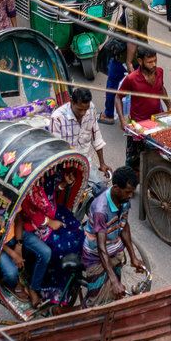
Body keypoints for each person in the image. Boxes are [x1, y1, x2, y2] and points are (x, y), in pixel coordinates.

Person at [82, 166, 146, 303]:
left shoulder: (124, 200)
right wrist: (113, 280)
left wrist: (133, 257)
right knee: (96, 305)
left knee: (114, 295)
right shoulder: (101, 210)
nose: (131, 196)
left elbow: (124, 226)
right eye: (128, 192)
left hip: (114, 251)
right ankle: (61, 311)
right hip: (96, 256)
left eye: (132, 192)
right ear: (116, 188)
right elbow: (100, 247)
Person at [101, 0, 148, 124]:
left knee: (113, 83)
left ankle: (109, 114)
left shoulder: (130, 11)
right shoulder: (143, 5)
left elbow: (131, 36)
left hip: (126, 56)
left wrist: (128, 61)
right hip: (142, 52)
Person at [19, 174, 63, 304]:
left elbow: (50, 192)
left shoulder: (45, 178)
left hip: (44, 218)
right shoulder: (27, 180)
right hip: (26, 225)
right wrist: (49, 222)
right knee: (47, 251)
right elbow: (26, 212)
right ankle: (34, 287)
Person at [50, 86, 109, 178]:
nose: (83, 113)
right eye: (80, 109)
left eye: (86, 109)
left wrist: (102, 163)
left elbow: (96, 137)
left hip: (85, 161)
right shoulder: (58, 118)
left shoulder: (91, 108)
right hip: (65, 165)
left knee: (99, 188)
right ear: (72, 102)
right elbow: (56, 150)